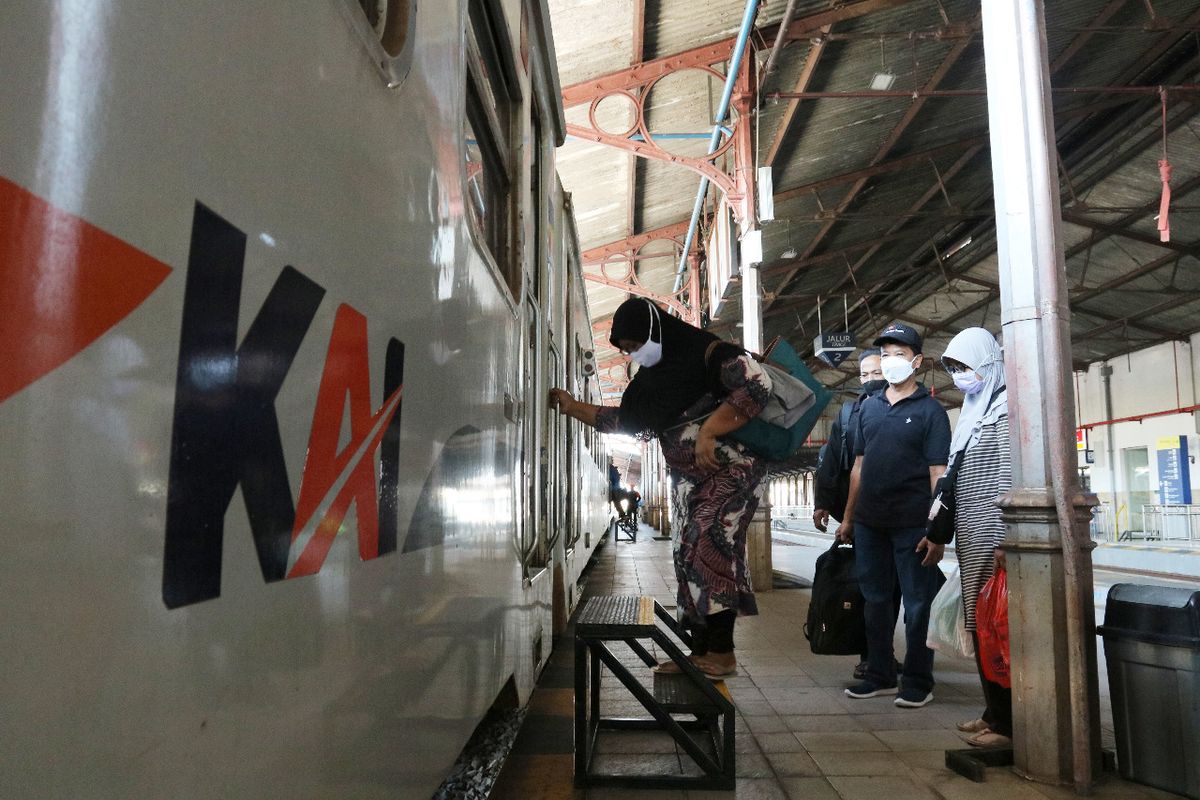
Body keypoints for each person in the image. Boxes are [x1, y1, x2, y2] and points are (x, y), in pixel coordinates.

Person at [549, 298, 771, 679]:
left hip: (729, 470)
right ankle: (701, 651)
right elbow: (622, 420)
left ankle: (722, 653)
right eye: (627, 350)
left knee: (709, 544)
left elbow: (758, 385)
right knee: (687, 554)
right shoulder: (651, 380)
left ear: (655, 330)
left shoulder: (710, 353)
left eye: (636, 344)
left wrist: (710, 430)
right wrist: (571, 407)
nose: (635, 354)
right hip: (689, 480)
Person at [837, 322, 950, 708]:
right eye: (885, 354)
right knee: (876, 602)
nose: (889, 362)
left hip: (913, 525)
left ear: (916, 361)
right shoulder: (867, 409)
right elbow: (858, 468)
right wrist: (849, 518)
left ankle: (918, 679)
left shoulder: (931, 412)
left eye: (898, 355)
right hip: (870, 524)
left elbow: (939, 474)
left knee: (918, 605)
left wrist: (937, 530)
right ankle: (880, 673)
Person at [941, 328, 1013, 747]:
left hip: (993, 536)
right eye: (952, 368)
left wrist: (1007, 536)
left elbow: (1007, 472)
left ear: (988, 364)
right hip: (972, 536)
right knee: (980, 625)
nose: (959, 376)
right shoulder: (974, 409)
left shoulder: (1003, 410)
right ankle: (994, 713)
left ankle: (1009, 725)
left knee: (998, 629)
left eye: (964, 367)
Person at [812, 348, 900, 681]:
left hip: (902, 516)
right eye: (864, 375)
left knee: (895, 591)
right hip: (864, 516)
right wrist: (823, 503)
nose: (870, 380)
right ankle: (872, 656)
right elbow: (832, 462)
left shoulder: (908, 408)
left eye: (876, 373)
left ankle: (883, 654)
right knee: (871, 588)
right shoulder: (849, 414)